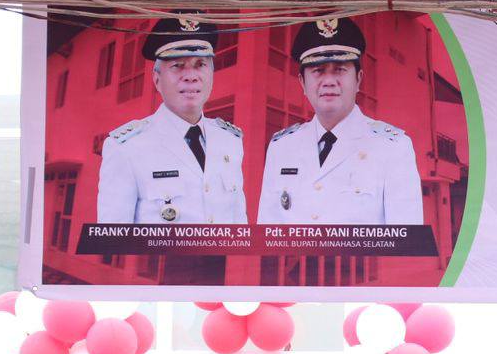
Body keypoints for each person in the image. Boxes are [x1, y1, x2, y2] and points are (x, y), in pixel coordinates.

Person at [258, 17, 425, 227]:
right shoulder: (281, 147)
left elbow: (407, 244)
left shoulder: (393, 147)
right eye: (317, 70)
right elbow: (267, 235)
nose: (328, 81)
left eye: (340, 69)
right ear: (302, 82)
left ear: (358, 80)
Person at [96, 16, 247, 226]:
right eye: (177, 65)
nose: (191, 76)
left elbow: (240, 226)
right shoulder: (126, 147)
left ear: (212, 75)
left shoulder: (230, 140)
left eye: (200, 64)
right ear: (157, 80)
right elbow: (114, 239)